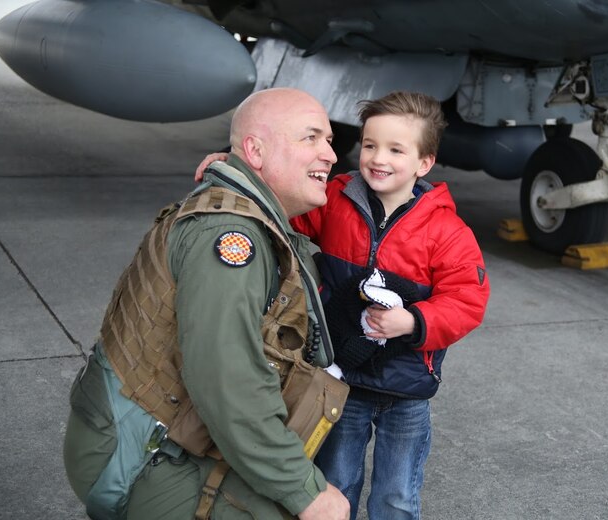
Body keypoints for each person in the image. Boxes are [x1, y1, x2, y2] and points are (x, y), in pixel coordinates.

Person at [196, 91, 490, 520]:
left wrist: (414, 320)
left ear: (424, 163)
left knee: (396, 497)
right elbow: (284, 207)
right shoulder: (336, 199)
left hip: (406, 388)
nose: (377, 158)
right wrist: (233, 165)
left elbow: (467, 299)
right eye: (370, 145)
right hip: (341, 382)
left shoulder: (446, 231)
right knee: (336, 484)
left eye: (395, 149)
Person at [63, 88, 351, 520]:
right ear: (254, 150)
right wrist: (304, 492)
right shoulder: (231, 238)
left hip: (132, 436)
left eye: (329, 141)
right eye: (310, 138)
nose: (329, 154)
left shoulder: (246, 211)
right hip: (135, 457)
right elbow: (227, 380)